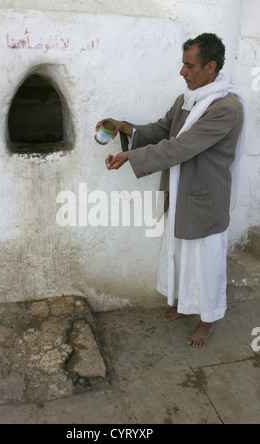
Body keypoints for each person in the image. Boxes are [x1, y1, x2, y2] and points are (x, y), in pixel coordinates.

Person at [96, 33, 245, 348]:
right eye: (183, 65)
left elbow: (182, 146)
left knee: (206, 262)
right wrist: (125, 127)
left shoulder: (227, 108)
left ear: (211, 67)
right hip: (180, 193)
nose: (182, 72)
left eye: (189, 66)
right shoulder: (186, 101)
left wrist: (130, 157)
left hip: (205, 198)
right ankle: (186, 307)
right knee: (180, 256)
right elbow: (162, 130)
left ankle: (209, 319)